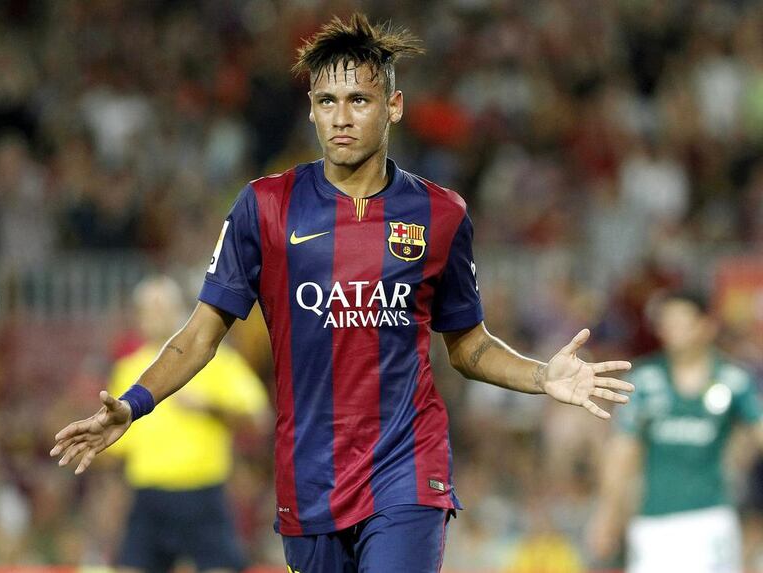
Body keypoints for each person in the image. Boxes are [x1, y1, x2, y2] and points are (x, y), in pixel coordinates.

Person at [51, 13, 633, 572]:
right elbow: (202, 334)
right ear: (311, 110)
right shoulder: (265, 206)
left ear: (394, 106)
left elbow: (467, 344)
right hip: (310, 475)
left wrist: (541, 377)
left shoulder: (440, 213)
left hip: (408, 463)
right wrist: (133, 404)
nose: (341, 117)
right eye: (327, 101)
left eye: (359, 100)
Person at [587, 289, 763, 573]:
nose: (673, 332)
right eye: (667, 324)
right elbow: (622, 452)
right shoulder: (644, 380)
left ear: (707, 326)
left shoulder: (734, 380)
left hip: (711, 518)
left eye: (682, 322)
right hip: (654, 521)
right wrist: (607, 514)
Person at [106, 276, 271, 573]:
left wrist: (209, 407)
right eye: (148, 309)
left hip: (202, 496)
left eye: (162, 308)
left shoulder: (216, 361)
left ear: (181, 311)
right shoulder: (127, 370)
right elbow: (117, 448)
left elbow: (259, 420)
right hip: (148, 497)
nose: (154, 316)